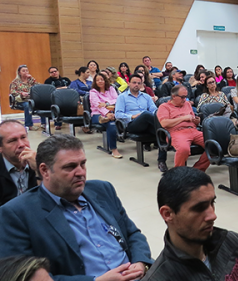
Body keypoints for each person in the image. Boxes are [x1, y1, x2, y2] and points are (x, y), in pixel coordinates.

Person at [0, 134, 154, 280]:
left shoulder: (102, 190)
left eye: (83, 164)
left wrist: (141, 263)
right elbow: (23, 277)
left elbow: (132, 233)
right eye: (70, 167)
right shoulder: (17, 214)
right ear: (45, 170)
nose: (80, 172)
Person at [142, 167, 238, 281]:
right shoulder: (160, 277)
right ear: (168, 214)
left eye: (212, 203)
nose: (213, 216)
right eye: (199, 208)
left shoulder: (230, 241)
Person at [116, 74, 168, 172]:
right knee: (146, 115)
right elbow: (118, 114)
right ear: (128, 83)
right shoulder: (122, 97)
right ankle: (169, 131)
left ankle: (161, 161)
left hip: (148, 122)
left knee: (160, 133)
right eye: (134, 82)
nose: (136, 85)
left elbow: (154, 110)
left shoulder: (146, 97)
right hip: (132, 124)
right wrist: (132, 116)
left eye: (139, 83)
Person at [157, 85, 210, 172]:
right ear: (174, 96)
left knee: (213, 145)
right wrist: (183, 118)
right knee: (183, 149)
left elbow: (193, 120)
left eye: (186, 96)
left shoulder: (187, 104)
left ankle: (197, 170)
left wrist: (196, 120)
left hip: (193, 130)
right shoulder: (164, 107)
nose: (185, 99)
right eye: (182, 97)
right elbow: (164, 123)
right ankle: (179, 173)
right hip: (177, 132)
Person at [0, 120, 38, 206]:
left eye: (23, 137)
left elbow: (50, 199)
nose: (21, 144)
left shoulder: (40, 162)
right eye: (12, 140)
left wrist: (38, 170)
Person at [89, 73, 122, 159]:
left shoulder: (111, 89)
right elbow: (98, 106)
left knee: (115, 120)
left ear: (105, 80)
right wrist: (107, 113)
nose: (100, 81)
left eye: (102, 79)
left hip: (112, 112)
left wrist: (106, 104)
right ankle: (114, 149)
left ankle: (107, 119)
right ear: (95, 82)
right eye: (97, 80)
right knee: (111, 124)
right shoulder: (93, 92)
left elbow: (117, 100)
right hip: (97, 115)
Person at [9, 65, 41, 131]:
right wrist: (21, 93)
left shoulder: (30, 80)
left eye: (27, 70)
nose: (25, 72)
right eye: (23, 71)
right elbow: (12, 91)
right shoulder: (15, 82)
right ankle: (29, 125)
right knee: (27, 105)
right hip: (20, 101)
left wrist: (32, 78)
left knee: (41, 103)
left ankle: (44, 124)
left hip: (31, 99)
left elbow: (38, 87)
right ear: (19, 72)